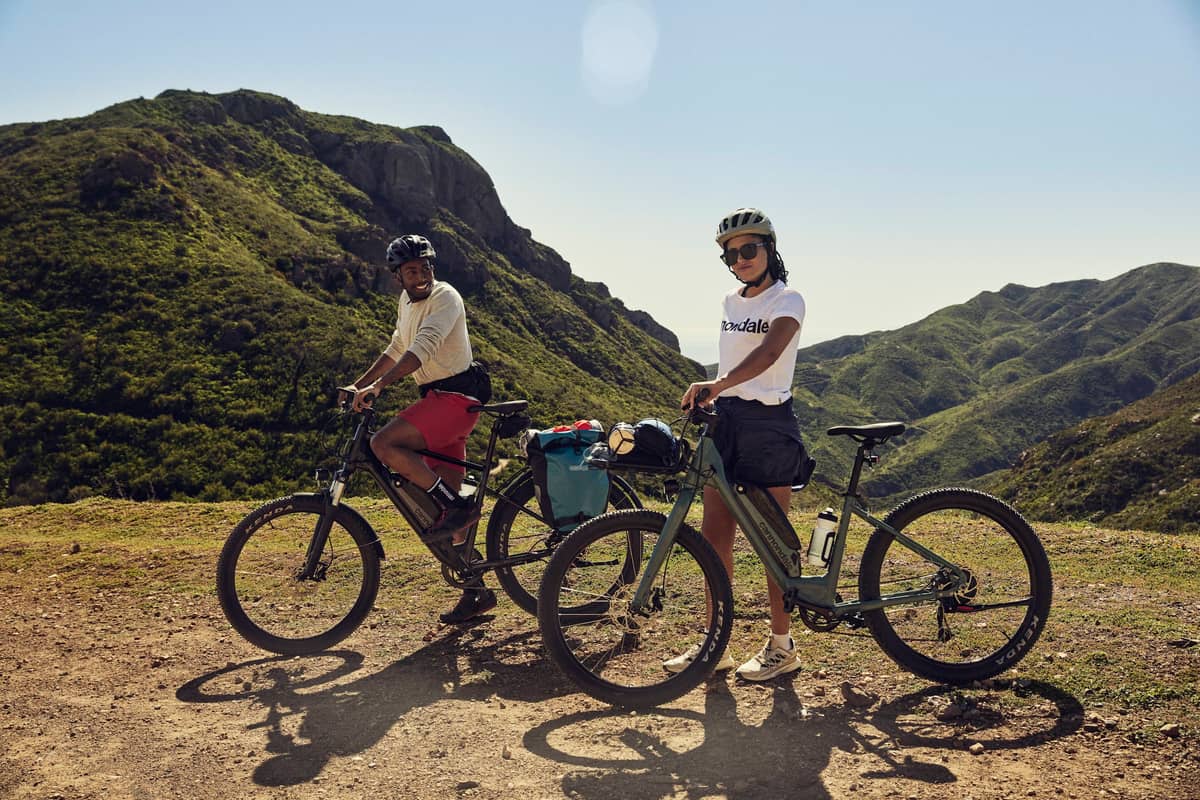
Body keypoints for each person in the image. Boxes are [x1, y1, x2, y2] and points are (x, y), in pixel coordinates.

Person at [670, 207, 809, 681]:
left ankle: (783, 644)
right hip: (727, 420)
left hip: (769, 425)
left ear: (769, 249)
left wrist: (717, 383)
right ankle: (715, 642)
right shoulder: (731, 301)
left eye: (749, 250)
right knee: (714, 536)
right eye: (731, 254)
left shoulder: (788, 299)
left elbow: (770, 353)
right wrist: (717, 391)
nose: (740, 260)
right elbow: (734, 359)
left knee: (773, 542)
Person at [340, 234, 496, 624]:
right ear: (399, 277)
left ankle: (456, 504)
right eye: (412, 270)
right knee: (441, 519)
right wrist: (361, 384)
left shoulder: (446, 297)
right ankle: (476, 593)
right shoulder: (406, 303)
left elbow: (422, 348)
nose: (421, 274)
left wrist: (380, 387)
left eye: (425, 266)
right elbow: (396, 347)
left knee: (383, 443)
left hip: (454, 401)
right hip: (437, 403)